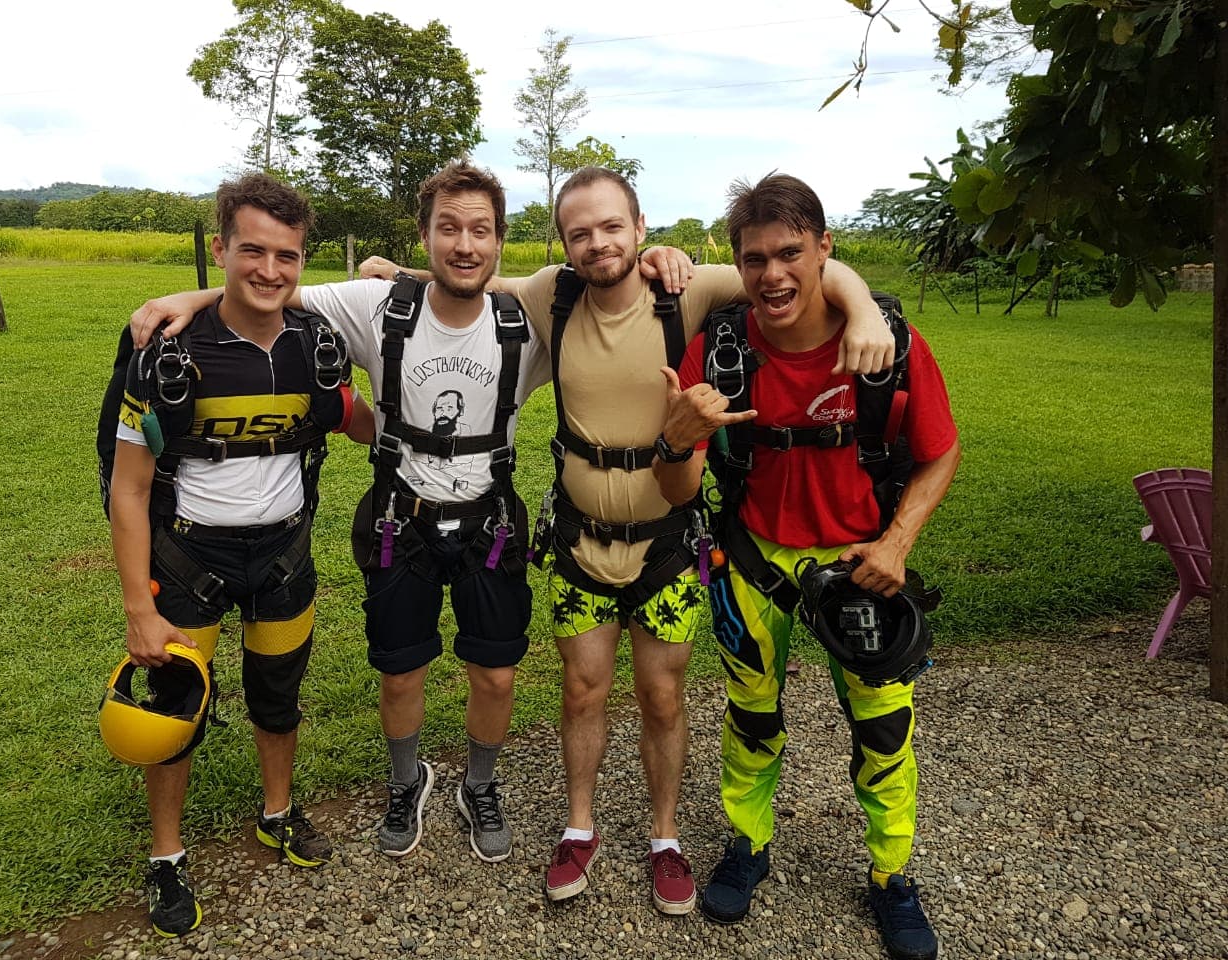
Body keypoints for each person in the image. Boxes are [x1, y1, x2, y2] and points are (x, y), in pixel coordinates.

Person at [361, 166, 896, 916]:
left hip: (669, 542)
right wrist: (391, 270)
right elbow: (472, 271)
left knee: (662, 696)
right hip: (580, 539)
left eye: (612, 227)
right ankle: (579, 827)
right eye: (579, 232)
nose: (596, 243)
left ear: (641, 229)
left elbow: (796, 264)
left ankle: (665, 837)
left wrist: (865, 308)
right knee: (581, 692)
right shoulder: (554, 293)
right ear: (564, 243)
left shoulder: (692, 290)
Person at [129, 163, 679, 867]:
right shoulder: (376, 307)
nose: (464, 244)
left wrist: (663, 257)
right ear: (424, 237)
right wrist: (190, 294)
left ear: (501, 241)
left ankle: (479, 786)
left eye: (480, 230)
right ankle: (404, 779)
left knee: (498, 674)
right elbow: (270, 288)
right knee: (400, 672)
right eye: (448, 228)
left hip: (492, 520)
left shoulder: (531, 321)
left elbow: (613, 303)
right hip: (400, 518)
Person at [653, 173, 960, 959]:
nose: (773, 275)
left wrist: (897, 544)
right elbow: (674, 488)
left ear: (827, 249)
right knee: (751, 720)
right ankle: (748, 844)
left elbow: (939, 452)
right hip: (754, 561)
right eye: (754, 259)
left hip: (864, 567)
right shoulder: (716, 349)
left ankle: (892, 875)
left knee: (886, 730)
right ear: (738, 264)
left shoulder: (886, 345)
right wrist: (678, 436)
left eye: (791, 252)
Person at [110, 173, 375, 937]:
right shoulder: (168, 354)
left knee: (278, 696)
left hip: (285, 554)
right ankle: (167, 856)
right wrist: (139, 607)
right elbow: (128, 491)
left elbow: (352, 421)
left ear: (302, 262)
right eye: (251, 250)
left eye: (286, 256)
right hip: (190, 560)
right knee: (174, 710)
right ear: (220, 250)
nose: (268, 270)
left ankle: (278, 813)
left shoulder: (316, 345)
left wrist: (387, 404)